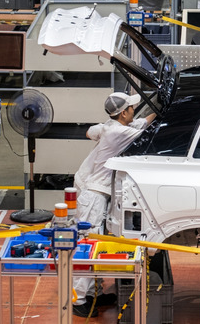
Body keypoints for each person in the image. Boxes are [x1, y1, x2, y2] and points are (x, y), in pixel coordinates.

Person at [72, 92, 156, 318]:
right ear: (123, 113)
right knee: (87, 245)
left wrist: (156, 111)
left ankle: (92, 294)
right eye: (131, 108)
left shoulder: (109, 126)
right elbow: (145, 130)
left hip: (93, 189)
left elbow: (89, 132)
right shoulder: (119, 132)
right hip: (93, 194)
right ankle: (78, 299)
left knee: (96, 242)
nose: (134, 111)